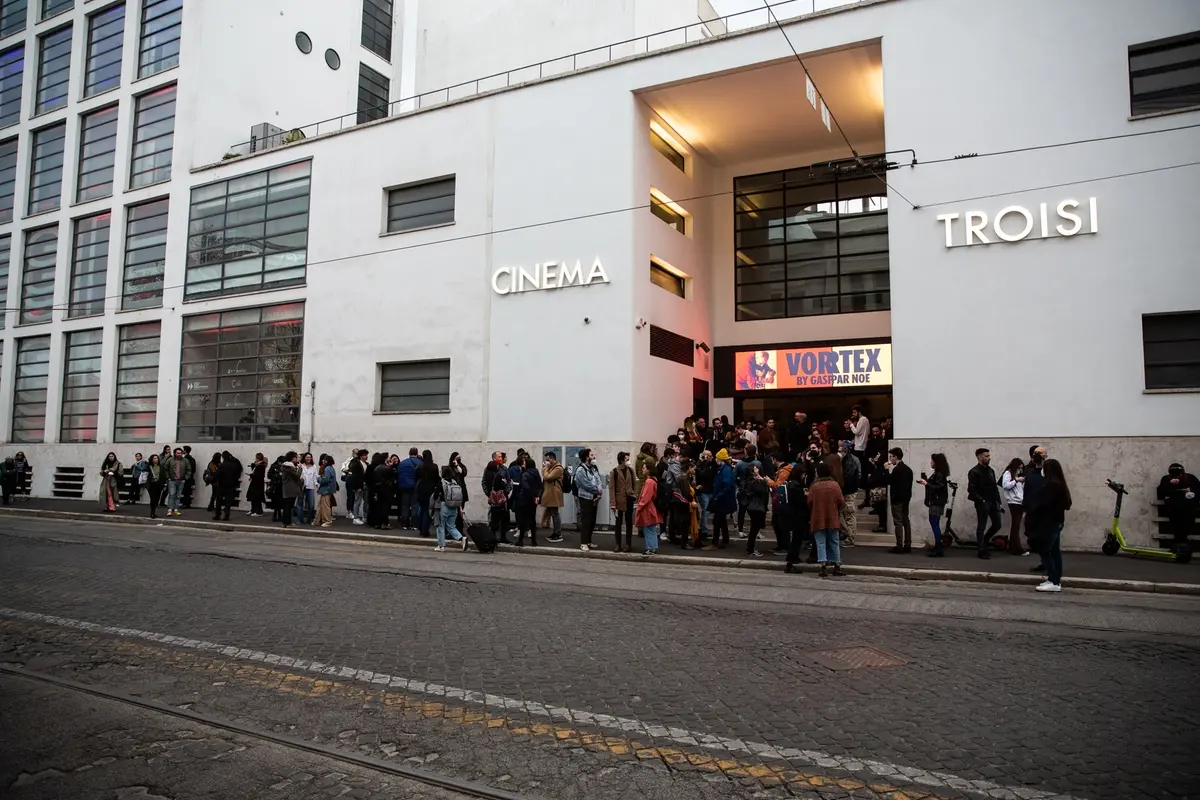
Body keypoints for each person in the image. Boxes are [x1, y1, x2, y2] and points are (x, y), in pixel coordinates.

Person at [1026, 458, 1072, 593]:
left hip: (1049, 523)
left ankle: (1054, 580)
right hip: (1056, 522)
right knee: (1054, 552)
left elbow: (1042, 505)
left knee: (1046, 551)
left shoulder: (1052, 486)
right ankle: (1054, 579)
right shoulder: (1060, 484)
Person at [809, 460, 846, 577]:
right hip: (832, 516)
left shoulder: (814, 486)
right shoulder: (834, 485)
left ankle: (823, 566)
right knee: (834, 542)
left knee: (820, 542)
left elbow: (809, 502)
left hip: (818, 517)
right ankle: (837, 565)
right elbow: (841, 501)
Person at [967, 448, 1002, 559]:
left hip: (992, 501)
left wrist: (998, 501)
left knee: (997, 524)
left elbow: (994, 486)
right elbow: (971, 489)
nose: (989, 457)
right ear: (979, 457)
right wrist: (981, 500)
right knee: (981, 526)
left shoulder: (991, 470)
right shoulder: (974, 471)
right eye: (986, 456)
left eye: (989, 455)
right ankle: (981, 550)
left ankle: (985, 542)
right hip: (983, 502)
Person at [1158, 463, 1200, 548]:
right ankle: (1180, 543)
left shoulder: (1190, 478)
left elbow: (1198, 490)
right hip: (1174, 508)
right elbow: (1162, 492)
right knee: (1177, 519)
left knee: (1187, 517)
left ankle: (1181, 543)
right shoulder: (1166, 479)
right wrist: (1171, 484)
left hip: (1188, 507)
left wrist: (1191, 492)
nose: (1177, 476)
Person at [783, 459, 813, 572]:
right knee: (797, 539)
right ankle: (791, 560)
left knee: (797, 538)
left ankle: (792, 559)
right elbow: (800, 501)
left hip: (795, 514)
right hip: (798, 515)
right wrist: (805, 495)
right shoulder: (795, 486)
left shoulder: (792, 484)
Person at [919, 453, 951, 557]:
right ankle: (937, 546)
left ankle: (938, 548)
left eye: (932, 461)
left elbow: (938, 487)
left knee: (935, 524)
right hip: (936, 502)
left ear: (936, 462)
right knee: (934, 523)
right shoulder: (938, 473)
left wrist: (926, 483)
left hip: (936, 502)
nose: (930, 462)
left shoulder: (939, 474)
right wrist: (926, 481)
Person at [432, 464, 467, 551]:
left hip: (444, 506)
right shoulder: (454, 482)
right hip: (454, 507)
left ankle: (441, 546)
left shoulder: (441, 482)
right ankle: (462, 538)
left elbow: (436, 495)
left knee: (440, 526)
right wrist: (460, 509)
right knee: (451, 526)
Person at [1024, 446, 1048, 573]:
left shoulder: (1048, 473)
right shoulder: (1030, 472)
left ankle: (1048, 564)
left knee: (1046, 539)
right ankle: (1044, 561)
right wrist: (1025, 510)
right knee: (1033, 537)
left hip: (1044, 512)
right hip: (1032, 510)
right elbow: (1027, 491)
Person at [573, 448, 603, 551]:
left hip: (594, 498)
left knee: (592, 521)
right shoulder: (581, 470)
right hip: (585, 498)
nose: (593, 457)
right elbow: (585, 485)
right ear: (586, 457)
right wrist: (597, 491)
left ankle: (589, 541)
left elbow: (598, 479)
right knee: (586, 521)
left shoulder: (593, 468)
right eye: (591, 455)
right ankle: (583, 543)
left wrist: (599, 490)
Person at [609, 451, 637, 553]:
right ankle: (618, 544)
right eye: (627, 459)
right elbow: (611, 488)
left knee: (629, 522)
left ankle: (628, 544)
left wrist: (634, 494)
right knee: (618, 523)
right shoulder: (614, 472)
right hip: (619, 500)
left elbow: (634, 484)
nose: (628, 461)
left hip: (629, 499)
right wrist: (612, 503)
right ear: (621, 460)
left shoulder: (631, 470)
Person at [887, 447, 913, 553]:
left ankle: (899, 545)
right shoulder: (908, 469)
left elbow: (891, 481)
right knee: (906, 521)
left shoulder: (896, 470)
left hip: (897, 500)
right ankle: (908, 544)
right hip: (905, 499)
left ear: (895, 457)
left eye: (891, 457)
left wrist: (885, 470)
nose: (890, 459)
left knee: (898, 522)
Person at [1000, 457, 1028, 555]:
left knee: (1016, 525)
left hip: (1019, 502)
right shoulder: (1008, 474)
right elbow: (1006, 485)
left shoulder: (1016, 476)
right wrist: (1016, 480)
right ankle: (1016, 548)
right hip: (1013, 502)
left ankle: (1014, 546)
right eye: (1019, 468)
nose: (1020, 470)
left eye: (1021, 468)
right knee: (1015, 525)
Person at [710, 449, 737, 549]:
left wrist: (717, 496)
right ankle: (725, 540)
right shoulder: (724, 468)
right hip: (722, 499)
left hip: (722, 500)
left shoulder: (725, 470)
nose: (716, 459)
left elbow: (727, 485)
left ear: (720, 459)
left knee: (717, 521)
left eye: (717, 458)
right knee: (721, 521)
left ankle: (715, 542)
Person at [635, 460, 662, 557]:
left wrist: (639, 506)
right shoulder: (653, 480)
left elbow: (646, 497)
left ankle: (650, 548)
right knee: (650, 528)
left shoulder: (649, 481)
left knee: (649, 528)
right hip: (650, 507)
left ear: (649, 470)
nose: (642, 469)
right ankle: (651, 547)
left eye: (644, 467)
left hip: (648, 508)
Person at [743, 463, 770, 557]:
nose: (757, 470)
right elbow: (763, 489)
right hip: (755, 507)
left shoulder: (753, 481)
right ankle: (750, 549)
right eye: (755, 469)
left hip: (756, 506)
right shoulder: (752, 482)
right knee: (754, 529)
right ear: (752, 472)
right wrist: (763, 480)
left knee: (754, 529)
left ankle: (750, 548)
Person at [515, 456, 542, 548]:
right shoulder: (536, 473)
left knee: (523, 520)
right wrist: (537, 496)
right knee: (532, 520)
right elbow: (540, 486)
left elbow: (526, 487)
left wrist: (532, 496)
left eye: (524, 463)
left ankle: (520, 540)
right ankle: (534, 541)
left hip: (524, 499)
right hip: (533, 501)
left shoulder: (525, 474)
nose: (523, 464)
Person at [838, 441, 860, 547]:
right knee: (843, 514)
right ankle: (847, 534)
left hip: (848, 492)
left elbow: (848, 479)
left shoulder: (849, 463)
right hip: (847, 491)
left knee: (849, 515)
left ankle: (850, 538)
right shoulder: (847, 461)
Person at [734, 445, 761, 534]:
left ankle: (740, 530)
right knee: (754, 512)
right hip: (755, 490)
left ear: (746, 452)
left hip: (743, 489)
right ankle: (756, 531)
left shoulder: (740, 463)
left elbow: (734, 477)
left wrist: (739, 485)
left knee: (742, 511)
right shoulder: (758, 463)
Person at [540, 452, 565, 542]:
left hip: (554, 493)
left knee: (555, 513)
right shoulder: (552, 468)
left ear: (552, 459)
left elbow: (548, 477)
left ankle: (558, 533)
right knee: (553, 513)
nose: (546, 462)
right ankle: (555, 532)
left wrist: (545, 469)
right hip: (550, 493)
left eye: (547, 460)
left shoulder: (558, 468)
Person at [396, 448, 422, 530]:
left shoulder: (402, 463)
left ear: (409, 453)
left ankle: (405, 524)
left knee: (405, 506)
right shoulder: (420, 462)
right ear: (417, 453)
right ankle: (414, 525)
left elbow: (398, 474)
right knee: (415, 505)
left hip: (403, 487)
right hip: (415, 487)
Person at [694, 449, 716, 547]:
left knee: (707, 511)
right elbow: (703, 474)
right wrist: (703, 462)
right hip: (703, 491)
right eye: (707, 455)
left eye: (710, 455)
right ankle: (703, 531)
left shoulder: (712, 464)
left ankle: (704, 530)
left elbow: (713, 473)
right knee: (705, 511)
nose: (709, 457)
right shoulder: (700, 465)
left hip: (710, 489)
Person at [415, 450, 439, 537]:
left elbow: (416, 477)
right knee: (427, 510)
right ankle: (425, 529)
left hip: (421, 489)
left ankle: (421, 528)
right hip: (430, 489)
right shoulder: (434, 467)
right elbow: (437, 479)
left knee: (422, 509)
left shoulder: (420, 466)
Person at [213, 450, 242, 520]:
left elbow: (217, 475)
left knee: (219, 501)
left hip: (222, 485)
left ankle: (217, 514)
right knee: (228, 501)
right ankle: (226, 514)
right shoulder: (234, 465)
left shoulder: (221, 466)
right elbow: (238, 472)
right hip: (231, 485)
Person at [164, 447, 191, 517]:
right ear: (175, 453)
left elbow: (189, 469)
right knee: (172, 494)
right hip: (172, 480)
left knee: (178, 495)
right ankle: (170, 509)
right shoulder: (170, 460)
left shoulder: (185, 461)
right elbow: (165, 469)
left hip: (181, 480)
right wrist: (168, 477)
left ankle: (176, 509)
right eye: (178, 453)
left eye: (180, 453)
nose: (179, 454)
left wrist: (186, 478)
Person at [279, 452, 303, 528]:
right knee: (288, 507)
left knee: (288, 506)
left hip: (288, 489)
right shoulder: (289, 467)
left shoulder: (287, 466)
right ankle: (287, 523)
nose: (297, 459)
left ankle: (286, 522)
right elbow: (296, 475)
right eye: (296, 457)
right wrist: (300, 468)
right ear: (292, 458)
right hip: (290, 489)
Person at [448, 452, 470, 533]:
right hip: (452, 491)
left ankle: (459, 530)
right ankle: (452, 530)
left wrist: (457, 465)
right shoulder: (449, 468)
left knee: (460, 512)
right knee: (453, 513)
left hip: (461, 491)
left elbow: (463, 473)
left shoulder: (461, 466)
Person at [296, 453, 318, 524]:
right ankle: (300, 519)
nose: (308, 458)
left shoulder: (313, 466)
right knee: (300, 503)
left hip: (310, 486)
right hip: (302, 486)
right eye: (307, 457)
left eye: (310, 457)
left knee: (311, 504)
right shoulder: (301, 465)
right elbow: (298, 475)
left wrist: (317, 484)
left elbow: (315, 476)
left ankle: (309, 519)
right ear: (304, 458)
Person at [244, 452, 267, 517]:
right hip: (255, 483)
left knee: (257, 498)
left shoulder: (261, 466)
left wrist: (251, 475)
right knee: (253, 497)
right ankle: (253, 510)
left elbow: (257, 475)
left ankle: (259, 511)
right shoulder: (258, 465)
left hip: (257, 483)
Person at [144, 454, 165, 519]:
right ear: (152, 459)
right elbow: (144, 471)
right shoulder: (149, 466)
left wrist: (164, 483)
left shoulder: (161, 466)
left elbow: (163, 475)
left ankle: (154, 511)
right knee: (153, 498)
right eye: (154, 458)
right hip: (151, 484)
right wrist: (146, 463)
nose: (156, 459)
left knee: (157, 499)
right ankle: (152, 513)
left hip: (159, 484)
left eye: (157, 458)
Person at [268, 455, 286, 521]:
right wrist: (276, 475)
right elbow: (269, 475)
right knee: (276, 501)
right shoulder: (273, 466)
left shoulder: (285, 467)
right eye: (281, 462)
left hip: (282, 486)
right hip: (275, 486)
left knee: (281, 501)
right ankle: (276, 515)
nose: (281, 464)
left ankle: (278, 514)